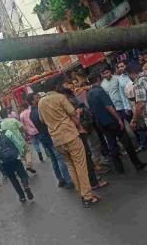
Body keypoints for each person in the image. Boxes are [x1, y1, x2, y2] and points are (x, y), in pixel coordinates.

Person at [38, 77, 100, 208]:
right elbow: (73, 113)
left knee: (70, 165)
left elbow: (42, 120)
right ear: (55, 86)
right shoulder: (60, 97)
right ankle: (87, 196)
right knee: (80, 165)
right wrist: (77, 120)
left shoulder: (41, 102)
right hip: (70, 135)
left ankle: (82, 193)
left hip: (57, 139)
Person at [87, 72, 147, 174]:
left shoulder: (89, 93)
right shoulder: (100, 91)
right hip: (112, 121)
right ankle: (137, 163)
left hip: (101, 123)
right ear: (98, 79)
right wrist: (118, 119)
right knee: (126, 142)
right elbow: (109, 106)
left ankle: (119, 168)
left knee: (112, 144)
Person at [27, 93, 73, 188]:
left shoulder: (32, 112)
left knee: (54, 159)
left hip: (43, 138)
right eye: (37, 98)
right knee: (59, 158)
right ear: (32, 101)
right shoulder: (38, 111)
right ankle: (68, 180)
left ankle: (60, 179)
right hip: (48, 136)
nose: (40, 98)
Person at [0, 120, 34, 202]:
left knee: (13, 179)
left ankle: (22, 197)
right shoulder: (7, 132)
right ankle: (25, 186)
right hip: (15, 158)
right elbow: (17, 143)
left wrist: (0, 161)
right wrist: (19, 153)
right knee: (22, 174)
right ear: (0, 125)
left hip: (5, 162)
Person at [116, 61, 147, 151]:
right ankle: (143, 143)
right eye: (119, 67)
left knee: (146, 120)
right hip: (131, 104)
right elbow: (122, 94)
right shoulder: (120, 79)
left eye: (122, 66)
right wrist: (126, 106)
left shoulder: (136, 75)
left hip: (142, 101)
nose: (121, 68)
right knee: (138, 124)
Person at [0, 108, 37, 174]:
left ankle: (26, 167)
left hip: (11, 144)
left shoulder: (1, 125)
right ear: (7, 114)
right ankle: (28, 165)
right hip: (20, 140)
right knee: (27, 152)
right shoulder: (13, 120)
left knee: (20, 155)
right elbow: (22, 128)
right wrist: (27, 134)